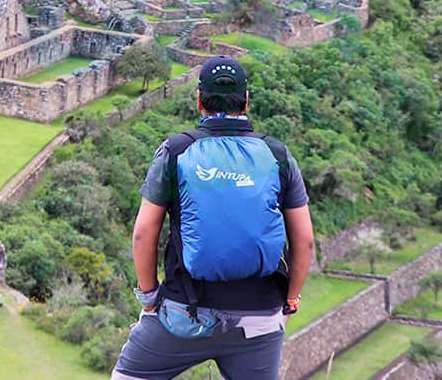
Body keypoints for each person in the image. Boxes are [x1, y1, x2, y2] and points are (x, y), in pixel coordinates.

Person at [111, 56, 315, 380]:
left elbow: (143, 233)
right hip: (258, 320)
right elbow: (304, 240)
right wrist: (290, 299)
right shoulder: (277, 155)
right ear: (246, 100)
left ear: (199, 100)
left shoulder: (176, 151)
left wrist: (149, 297)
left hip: (183, 314)